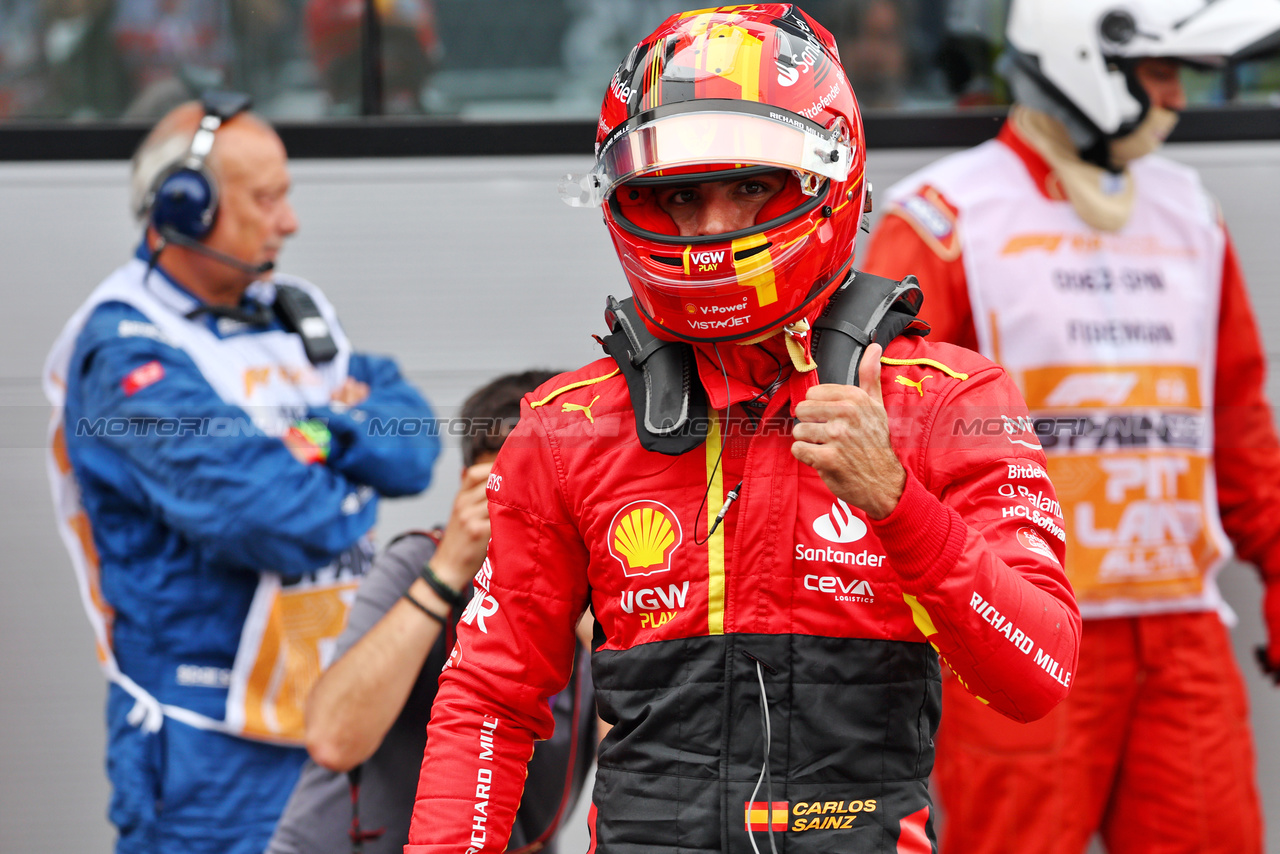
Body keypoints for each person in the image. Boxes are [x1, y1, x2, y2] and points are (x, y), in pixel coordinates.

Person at [406, 7, 1080, 853]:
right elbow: (488, 703)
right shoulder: (568, 426)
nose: (712, 230)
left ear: (827, 184)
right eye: (679, 196)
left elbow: (1038, 675)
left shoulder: (950, 399)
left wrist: (895, 500)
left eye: (750, 186)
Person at [860, 1, 1280, 852]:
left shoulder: (1190, 213)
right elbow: (880, 434)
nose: (1177, 99)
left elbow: (1238, 419)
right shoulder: (944, 217)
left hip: (1180, 631)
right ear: (1085, 64)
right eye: (1159, 75)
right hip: (1016, 629)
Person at [42, 92, 438, 854]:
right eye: (267, 198)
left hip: (328, 727)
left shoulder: (295, 312)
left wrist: (313, 437)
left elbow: (415, 445)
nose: (289, 221)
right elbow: (275, 522)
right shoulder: (126, 353)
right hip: (210, 754)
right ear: (185, 208)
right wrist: (352, 459)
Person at [267, 370, 597, 854]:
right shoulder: (422, 562)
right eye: (513, 489)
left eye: (554, 490)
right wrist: (446, 572)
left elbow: (636, 767)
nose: (536, 512)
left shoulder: (612, 581)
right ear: (471, 488)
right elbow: (334, 741)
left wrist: (587, 609)